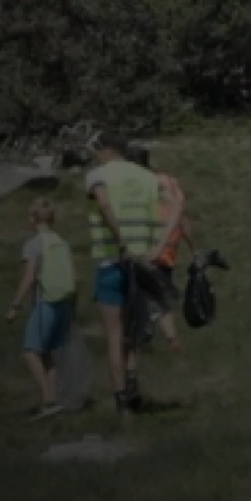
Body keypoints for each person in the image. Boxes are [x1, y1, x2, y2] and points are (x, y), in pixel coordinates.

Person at [84, 132, 181, 416]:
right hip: (143, 262)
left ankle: (121, 397)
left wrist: (121, 240)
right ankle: (133, 386)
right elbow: (175, 206)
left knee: (114, 334)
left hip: (112, 261)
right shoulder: (146, 176)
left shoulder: (98, 176)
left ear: (106, 149)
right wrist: (160, 245)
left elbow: (104, 204)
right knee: (132, 330)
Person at [4, 198, 77, 420]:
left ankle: (48, 400)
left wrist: (15, 305)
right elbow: (73, 277)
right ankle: (53, 400)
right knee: (46, 353)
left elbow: (29, 277)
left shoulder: (33, 245)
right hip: (63, 301)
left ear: (32, 219)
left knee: (30, 352)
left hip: (45, 302)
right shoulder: (62, 242)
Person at [128, 143, 191, 352]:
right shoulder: (169, 182)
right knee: (159, 294)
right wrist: (192, 246)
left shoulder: (142, 185)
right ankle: (171, 338)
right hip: (169, 248)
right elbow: (181, 216)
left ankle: (141, 335)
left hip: (149, 247)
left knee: (141, 293)